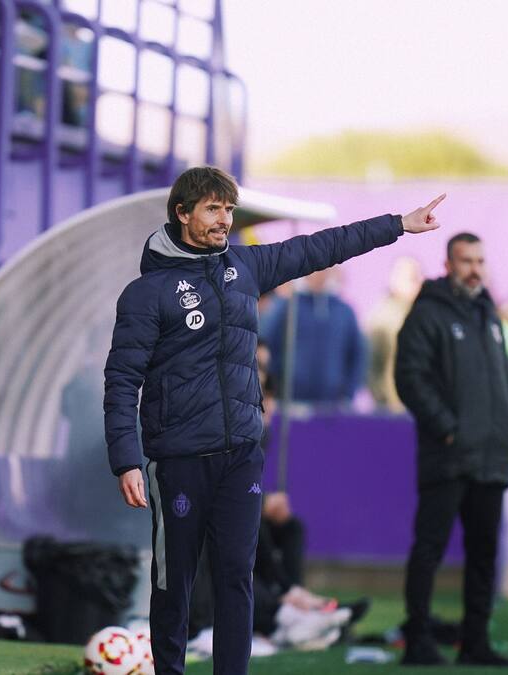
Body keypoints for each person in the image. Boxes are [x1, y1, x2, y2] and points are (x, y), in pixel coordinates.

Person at [103, 165, 444, 675]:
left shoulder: (244, 266)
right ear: (182, 213)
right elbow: (121, 380)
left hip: (241, 453)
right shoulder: (146, 293)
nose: (225, 219)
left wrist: (397, 224)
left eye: (229, 209)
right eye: (213, 209)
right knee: (174, 584)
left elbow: (322, 247)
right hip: (178, 458)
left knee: (236, 578)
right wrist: (126, 459)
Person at [394, 232, 508, 667]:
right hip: (448, 454)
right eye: (466, 261)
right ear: (448, 265)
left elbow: (505, 375)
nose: (475, 269)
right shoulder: (428, 313)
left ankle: (475, 642)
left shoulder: (489, 312)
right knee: (429, 548)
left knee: (484, 552)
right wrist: (448, 429)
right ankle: (417, 640)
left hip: (491, 454)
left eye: (480, 261)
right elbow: (409, 376)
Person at [262, 267, 368, 408]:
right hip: (291, 403)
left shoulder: (344, 311)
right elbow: (268, 349)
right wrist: (273, 390)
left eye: (324, 269)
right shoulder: (287, 307)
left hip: (332, 405)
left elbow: (357, 354)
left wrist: (348, 394)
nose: (319, 274)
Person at [366, 257, 424, 411]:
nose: (418, 282)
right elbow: (371, 365)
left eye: (418, 277)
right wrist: (383, 398)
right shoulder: (382, 318)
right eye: (412, 278)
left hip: (421, 407)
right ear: (395, 279)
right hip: (392, 408)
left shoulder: (424, 315)